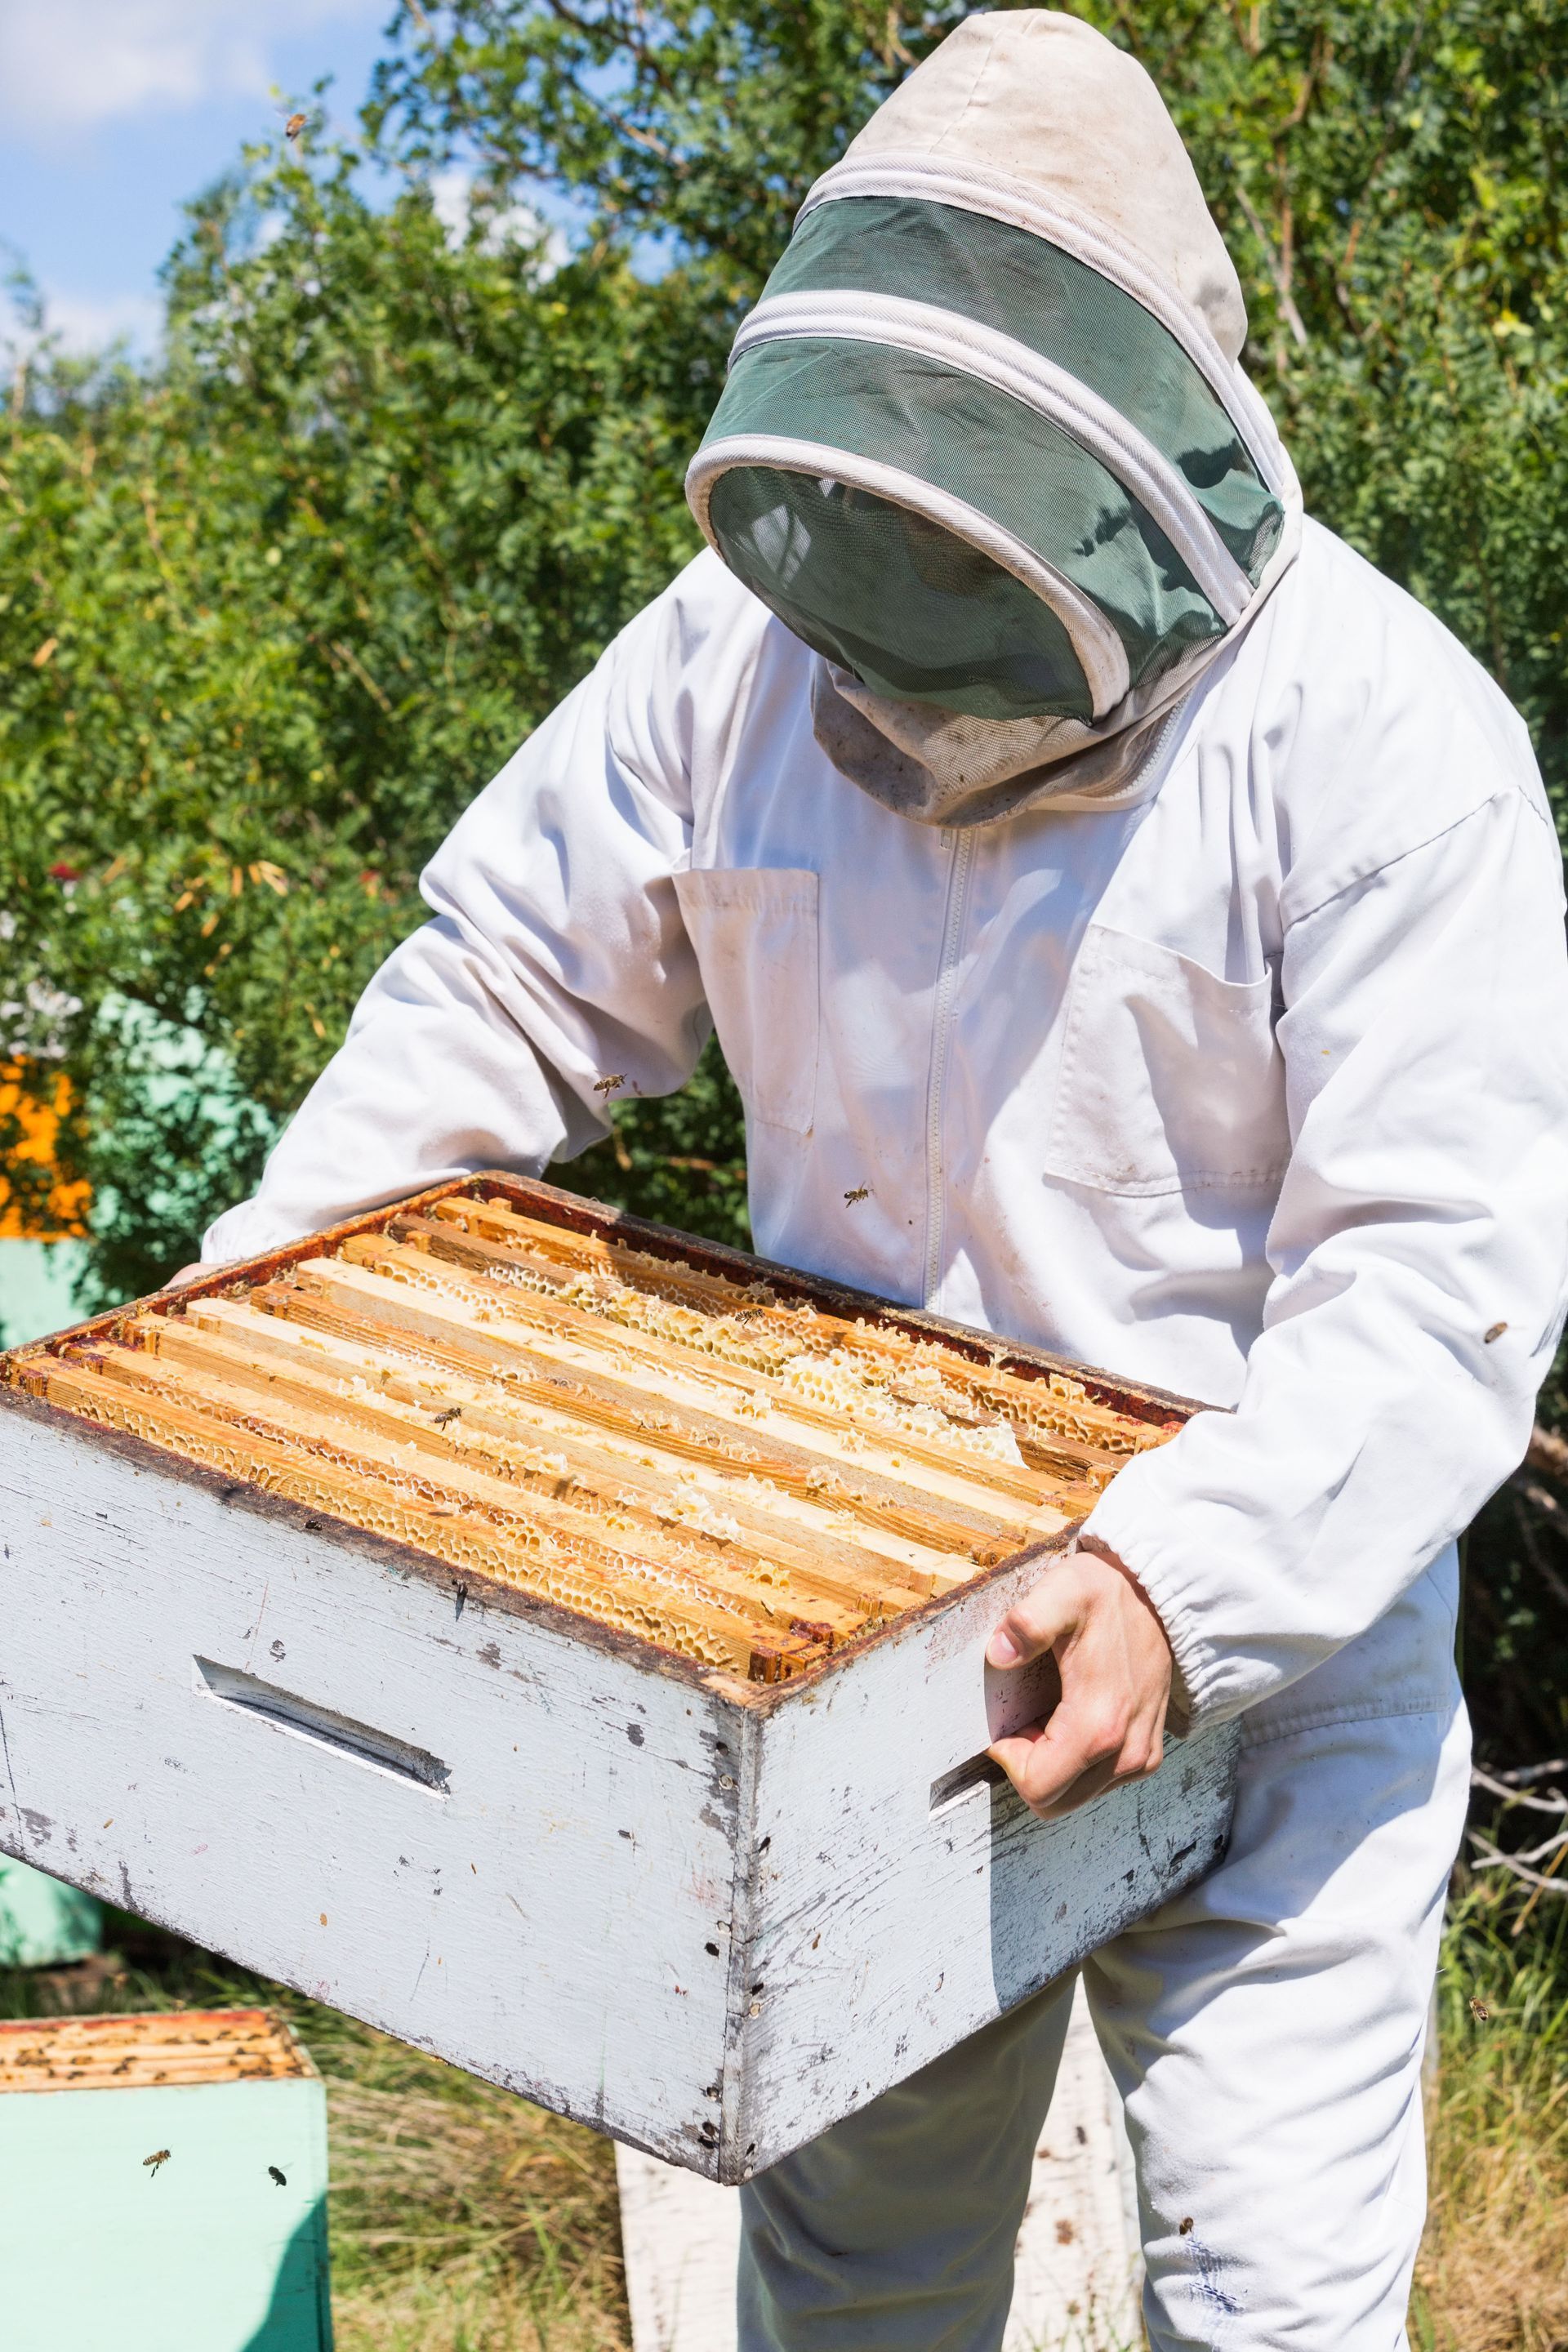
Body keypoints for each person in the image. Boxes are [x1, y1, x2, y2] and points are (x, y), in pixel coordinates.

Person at [197, 13, 1568, 2346]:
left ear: (1148, 489)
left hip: (1272, 1622)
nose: (911, 651)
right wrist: (253, 1331)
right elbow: (503, 988)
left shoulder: (1385, 741)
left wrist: (1174, 1585)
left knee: (1272, 2301)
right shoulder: (721, 666)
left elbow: (1437, 1287)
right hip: (856, 1647)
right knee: (855, 2296)